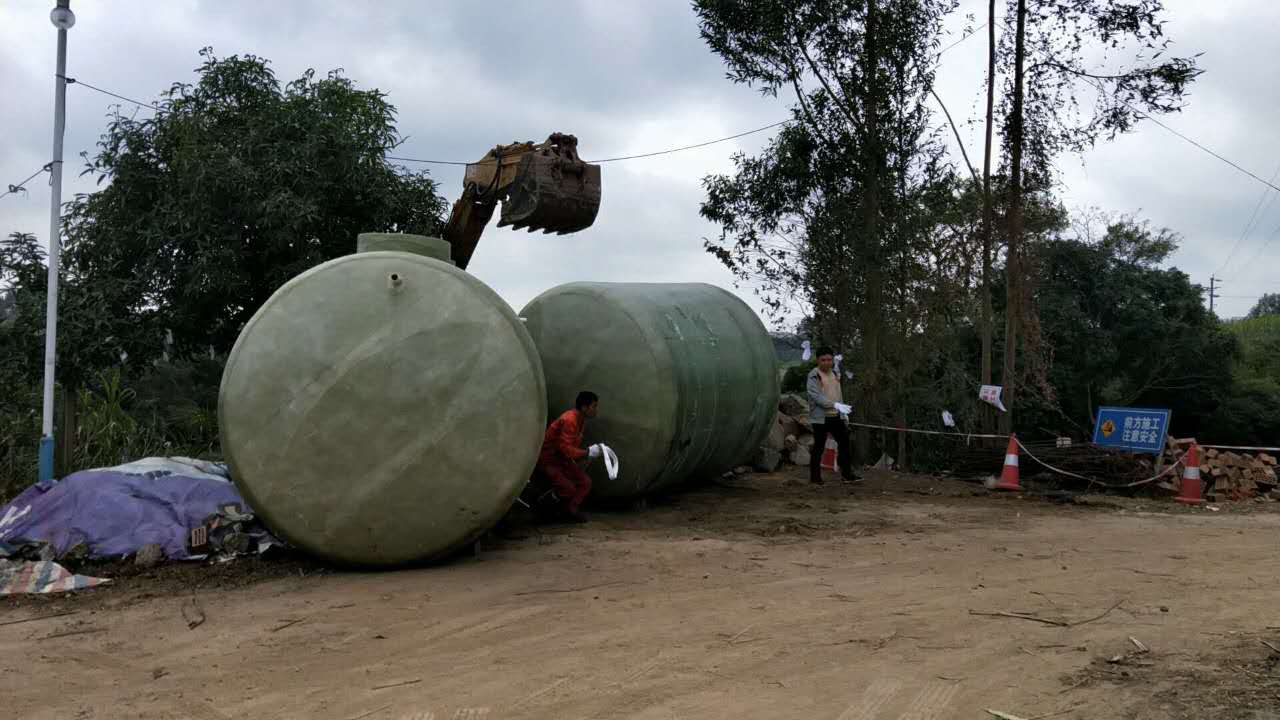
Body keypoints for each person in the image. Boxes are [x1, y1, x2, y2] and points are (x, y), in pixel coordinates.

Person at [533, 391, 601, 523]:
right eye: (594, 406)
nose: (596, 410)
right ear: (584, 408)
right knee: (567, 489)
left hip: (561, 459)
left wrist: (586, 454)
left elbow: (569, 450)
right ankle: (542, 508)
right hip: (549, 460)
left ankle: (570, 511)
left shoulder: (580, 420)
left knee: (585, 483)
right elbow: (565, 449)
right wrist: (587, 453)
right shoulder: (570, 420)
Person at [806, 348, 861, 484]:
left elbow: (838, 393)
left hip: (836, 416)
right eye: (823, 360)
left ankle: (847, 474)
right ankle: (815, 478)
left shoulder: (835, 372)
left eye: (829, 360)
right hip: (820, 418)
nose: (826, 363)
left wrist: (842, 411)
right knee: (819, 447)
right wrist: (834, 405)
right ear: (818, 360)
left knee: (844, 443)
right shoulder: (814, 376)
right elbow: (816, 397)